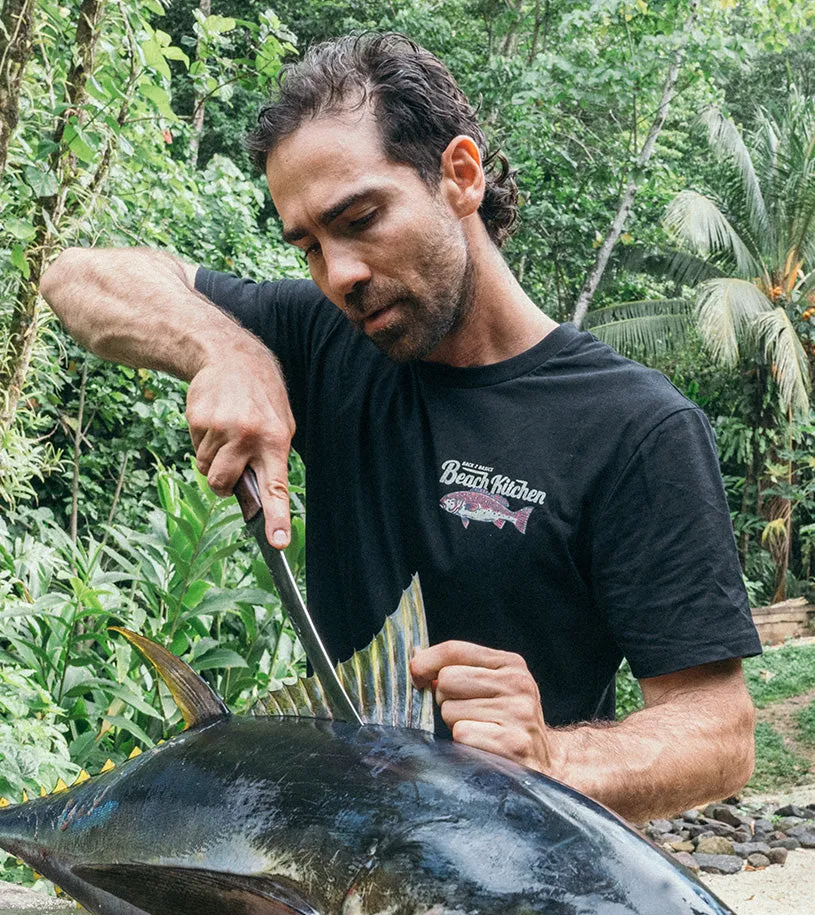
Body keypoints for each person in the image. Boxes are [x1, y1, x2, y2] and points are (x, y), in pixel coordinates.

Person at [41, 33, 760, 825]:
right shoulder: (325, 339)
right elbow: (73, 277)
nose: (339, 273)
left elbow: (717, 735)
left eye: (361, 218)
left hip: (514, 893)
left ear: (459, 174)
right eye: (308, 245)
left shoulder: (633, 428)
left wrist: (554, 755)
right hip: (342, 871)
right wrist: (224, 350)